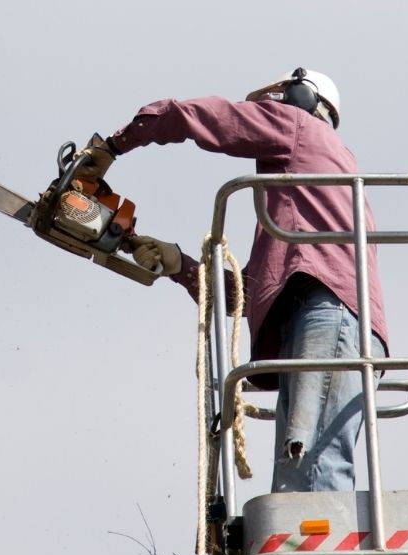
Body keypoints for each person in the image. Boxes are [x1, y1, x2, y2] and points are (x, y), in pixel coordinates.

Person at [80, 68, 388, 493]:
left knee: (312, 468)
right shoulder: (304, 204)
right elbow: (243, 294)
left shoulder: (300, 128)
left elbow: (203, 117)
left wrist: (115, 144)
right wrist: (178, 265)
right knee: (301, 470)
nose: (269, 109)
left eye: (278, 99)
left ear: (303, 98)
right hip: (328, 318)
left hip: (326, 313)